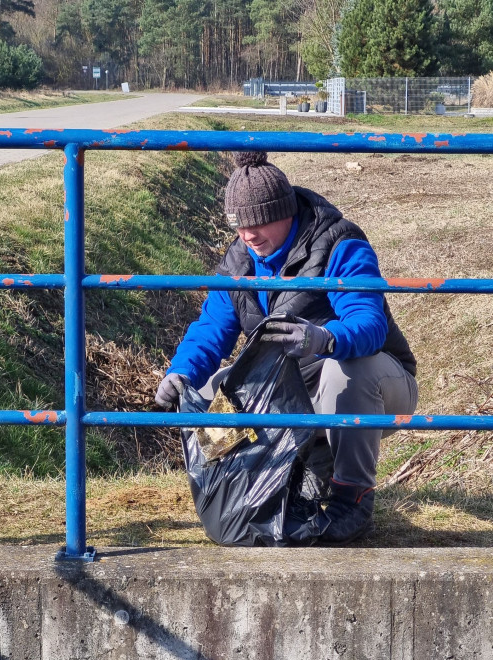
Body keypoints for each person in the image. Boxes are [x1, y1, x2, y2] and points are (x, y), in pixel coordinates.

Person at [155, 151, 418, 544]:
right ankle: (237, 492)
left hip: (379, 384)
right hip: (296, 387)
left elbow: (369, 322)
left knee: (343, 372)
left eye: (258, 222)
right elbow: (211, 328)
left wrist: (324, 338)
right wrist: (181, 373)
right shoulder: (239, 262)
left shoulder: (340, 244)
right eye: (239, 225)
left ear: (286, 210)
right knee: (216, 390)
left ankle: (353, 500)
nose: (248, 235)